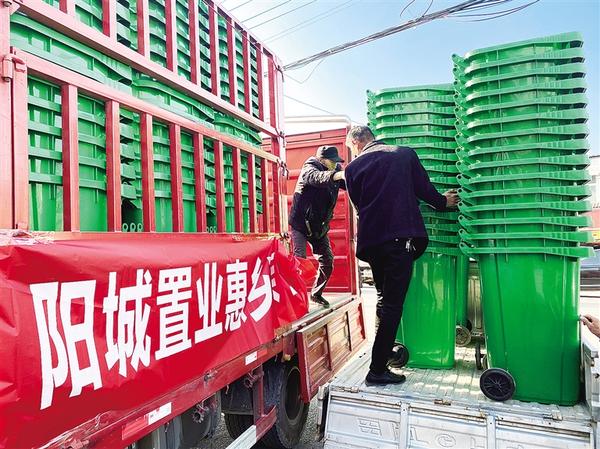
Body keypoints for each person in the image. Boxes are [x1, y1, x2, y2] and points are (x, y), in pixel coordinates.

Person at [344, 125, 459, 386]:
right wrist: (443, 202)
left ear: (356, 142)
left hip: (372, 244)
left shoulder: (352, 169)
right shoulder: (403, 154)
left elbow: (359, 207)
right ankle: (376, 370)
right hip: (399, 240)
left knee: (384, 300)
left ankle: (383, 354)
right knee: (392, 305)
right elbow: (424, 189)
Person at [289, 145, 346, 307]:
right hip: (301, 225)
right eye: (332, 161)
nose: (335, 164)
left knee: (327, 262)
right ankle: (296, 300)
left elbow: (349, 183)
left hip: (319, 227)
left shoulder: (335, 169)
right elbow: (316, 178)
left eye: (336, 162)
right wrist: (337, 175)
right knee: (300, 262)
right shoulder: (310, 166)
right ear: (322, 159)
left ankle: (316, 294)